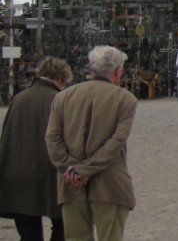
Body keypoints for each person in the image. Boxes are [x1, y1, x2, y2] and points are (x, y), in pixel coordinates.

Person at [46, 45, 137, 241]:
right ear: (117, 70)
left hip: (70, 186)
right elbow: (116, 143)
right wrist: (83, 170)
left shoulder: (62, 97)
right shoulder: (125, 99)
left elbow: (52, 139)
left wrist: (69, 170)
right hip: (109, 185)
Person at [0, 57, 72, 241]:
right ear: (61, 77)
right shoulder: (60, 100)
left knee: (29, 233)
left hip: (18, 176)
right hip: (52, 175)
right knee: (63, 227)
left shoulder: (19, 99)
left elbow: (7, 138)